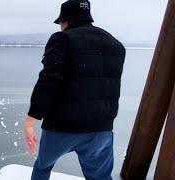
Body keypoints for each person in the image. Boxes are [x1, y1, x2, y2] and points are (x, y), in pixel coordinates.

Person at [24, 0, 126, 180]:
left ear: (66, 21)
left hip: (62, 127)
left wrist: (31, 119)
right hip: (100, 128)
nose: (60, 27)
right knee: (100, 177)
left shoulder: (62, 39)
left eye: (61, 23)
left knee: (43, 168)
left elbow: (49, 79)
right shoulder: (116, 45)